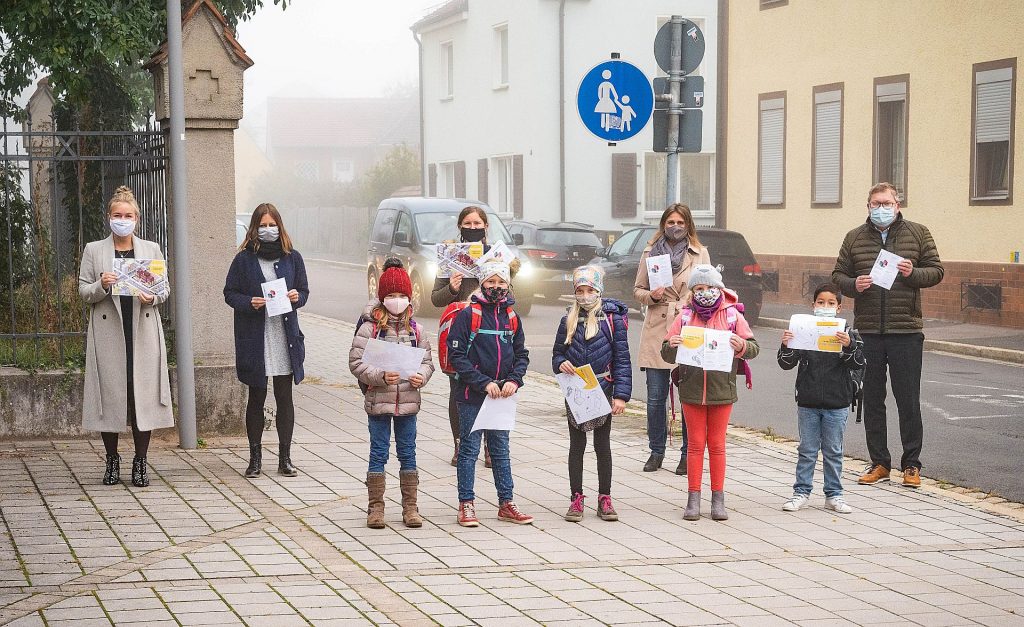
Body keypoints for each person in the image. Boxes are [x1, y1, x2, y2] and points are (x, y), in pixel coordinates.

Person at [832, 182, 944, 488]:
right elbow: (837, 276)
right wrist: (855, 284)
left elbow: (936, 271)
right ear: (868, 206)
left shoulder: (918, 233)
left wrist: (913, 273)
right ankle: (880, 462)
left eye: (886, 203)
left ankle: (912, 464)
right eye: (875, 203)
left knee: (908, 398)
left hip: (905, 330)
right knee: (872, 398)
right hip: (868, 331)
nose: (881, 208)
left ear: (897, 205)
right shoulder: (854, 237)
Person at [78, 186, 174, 487]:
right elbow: (83, 291)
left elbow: (165, 289)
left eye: (128, 215)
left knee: (142, 397)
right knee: (111, 395)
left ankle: (141, 461)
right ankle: (111, 460)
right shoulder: (94, 250)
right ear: (109, 217)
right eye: (117, 215)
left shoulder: (151, 249)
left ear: (137, 218)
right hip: (109, 333)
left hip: (142, 331)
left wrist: (152, 297)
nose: (123, 219)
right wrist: (101, 285)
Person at [662, 264, 759, 521]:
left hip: (722, 391)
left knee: (717, 445)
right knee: (694, 445)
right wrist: (671, 345)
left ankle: (718, 499)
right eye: (699, 288)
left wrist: (741, 346)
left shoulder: (732, 316)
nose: (705, 292)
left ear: (719, 288)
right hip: (692, 390)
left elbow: (753, 347)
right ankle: (693, 498)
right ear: (692, 291)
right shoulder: (683, 316)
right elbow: (666, 352)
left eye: (709, 287)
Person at [224, 203, 309, 479]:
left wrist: (297, 297)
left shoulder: (292, 257)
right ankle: (255, 458)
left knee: (285, 397)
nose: (268, 230)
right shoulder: (243, 260)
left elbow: (304, 291)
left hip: (284, 337)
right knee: (256, 397)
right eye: (263, 225)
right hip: (256, 339)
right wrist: (250, 302)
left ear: (280, 227)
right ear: (254, 228)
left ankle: (285, 458)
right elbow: (229, 293)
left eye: (273, 225)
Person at [432, 206, 520, 468]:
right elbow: (435, 299)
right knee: (458, 389)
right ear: (459, 226)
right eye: (467, 223)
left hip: (491, 329)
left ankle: (491, 447)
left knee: (493, 385)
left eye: (477, 223)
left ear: (486, 226)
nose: (472, 227)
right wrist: (452, 288)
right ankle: (461, 444)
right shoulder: (449, 257)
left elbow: (510, 292)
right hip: (462, 328)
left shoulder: (498, 255)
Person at [349, 260, 434, 529]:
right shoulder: (370, 328)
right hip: (379, 402)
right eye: (391, 296)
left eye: (401, 296)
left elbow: (428, 361)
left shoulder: (417, 330)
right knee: (378, 452)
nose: (396, 301)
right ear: (381, 298)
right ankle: (376, 507)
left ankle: (410, 507)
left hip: (408, 402)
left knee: (408, 452)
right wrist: (381, 376)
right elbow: (356, 363)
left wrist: (422, 376)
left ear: (409, 298)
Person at [447, 261, 532, 527]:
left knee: (501, 451)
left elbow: (521, 355)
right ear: (482, 283)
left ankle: (506, 502)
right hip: (473, 395)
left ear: (509, 284)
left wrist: (514, 381)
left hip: (502, 397)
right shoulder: (468, 314)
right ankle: (466, 503)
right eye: (491, 282)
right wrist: (483, 383)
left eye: (501, 282)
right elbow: (457, 356)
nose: (496, 287)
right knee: (469, 451)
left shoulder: (512, 317)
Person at [633, 204, 710, 474]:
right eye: (670, 222)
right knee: (655, 398)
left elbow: (711, 289)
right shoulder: (649, 252)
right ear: (663, 224)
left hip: (688, 327)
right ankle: (656, 451)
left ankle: (688, 453)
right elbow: (638, 289)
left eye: (680, 222)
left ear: (688, 225)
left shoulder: (700, 253)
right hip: (658, 328)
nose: (674, 226)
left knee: (688, 396)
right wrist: (651, 296)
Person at [552, 266, 631, 522]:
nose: (585, 296)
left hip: (603, 388)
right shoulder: (568, 320)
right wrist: (560, 363)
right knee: (577, 445)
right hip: (577, 390)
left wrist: (621, 395)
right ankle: (576, 497)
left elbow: (622, 359)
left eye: (590, 290)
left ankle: (605, 497)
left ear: (599, 291)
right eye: (580, 291)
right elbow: (557, 353)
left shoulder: (612, 320)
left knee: (602, 444)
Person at [777, 284, 865, 514]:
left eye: (831, 303)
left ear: (839, 308)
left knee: (833, 450)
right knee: (807, 449)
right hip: (808, 399)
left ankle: (834, 494)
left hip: (837, 401)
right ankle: (801, 492)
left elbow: (858, 364)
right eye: (820, 302)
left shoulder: (847, 332)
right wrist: (786, 344)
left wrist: (849, 346)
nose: (825, 307)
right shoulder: (804, 328)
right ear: (813, 305)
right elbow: (786, 363)